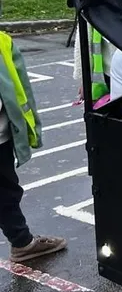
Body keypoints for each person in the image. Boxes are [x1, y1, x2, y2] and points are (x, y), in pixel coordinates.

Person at [0, 28, 66, 263]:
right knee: (5, 191)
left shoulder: (4, 42)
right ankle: (22, 242)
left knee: (6, 190)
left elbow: (21, 89)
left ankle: (22, 242)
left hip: (2, 134)